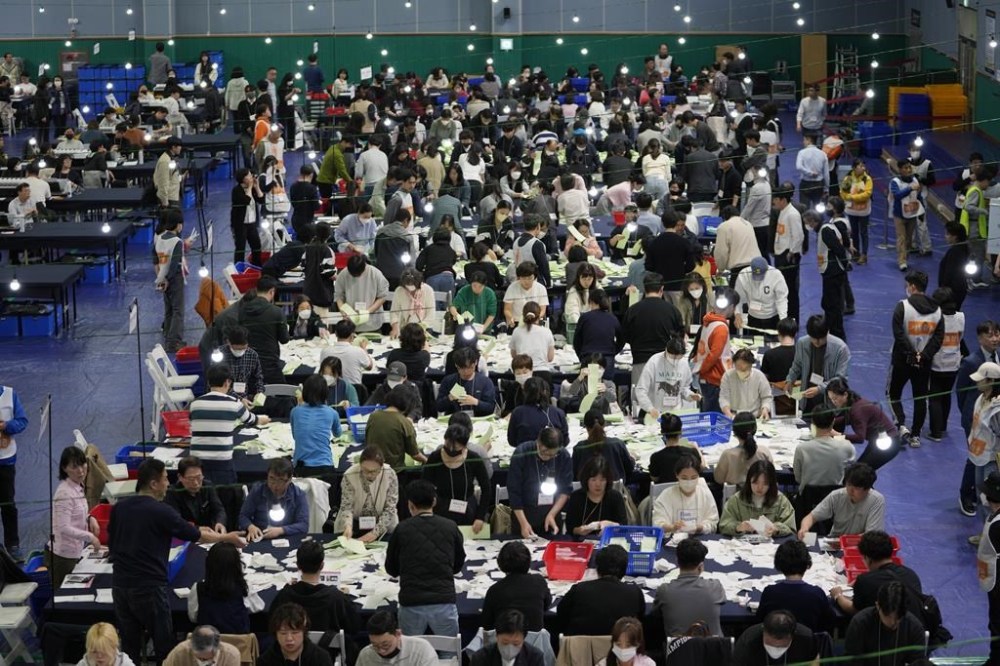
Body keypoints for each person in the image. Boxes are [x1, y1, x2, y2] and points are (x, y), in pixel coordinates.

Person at [109, 459, 242, 663]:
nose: (168, 484)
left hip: (119, 586)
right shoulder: (161, 511)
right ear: (153, 484)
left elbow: (112, 541)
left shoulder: (120, 508)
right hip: (149, 588)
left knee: (129, 647)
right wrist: (228, 538)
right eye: (164, 479)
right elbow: (196, 536)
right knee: (164, 647)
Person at [385, 480, 466, 638]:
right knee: (448, 654)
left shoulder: (401, 529)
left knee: (411, 654)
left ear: (410, 505)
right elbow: (457, 565)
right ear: (434, 501)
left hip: (411, 602)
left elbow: (391, 569)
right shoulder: (450, 526)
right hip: (444, 601)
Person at [889, 270, 945, 448]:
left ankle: (900, 424)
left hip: (902, 360)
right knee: (920, 397)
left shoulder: (903, 306)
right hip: (924, 363)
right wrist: (924, 355)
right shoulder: (937, 310)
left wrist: (911, 353)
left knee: (893, 393)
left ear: (912, 287)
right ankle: (915, 435)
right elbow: (938, 337)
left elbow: (898, 334)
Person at [189, 364, 269, 486]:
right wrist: (263, 419)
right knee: (225, 493)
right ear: (227, 383)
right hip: (221, 463)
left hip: (196, 462)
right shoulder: (234, 403)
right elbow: (252, 420)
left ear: (209, 383)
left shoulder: (195, 404)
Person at [271, 540, 360, 642]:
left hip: (292, 651)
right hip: (329, 652)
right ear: (322, 565)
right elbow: (354, 626)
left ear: (298, 565)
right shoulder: (335, 597)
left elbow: (272, 624)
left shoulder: (285, 595)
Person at [957, 321, 1000, 516]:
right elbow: (961, 392)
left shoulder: (996, 408)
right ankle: (966, 495)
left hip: (990, 451)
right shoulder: (971, 362)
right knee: (974, 465)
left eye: (996, 334)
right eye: (990, 335)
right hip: (975, 429)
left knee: (988, 489)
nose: (995, 338)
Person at [557, 545, 645, 636]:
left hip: (580, 647)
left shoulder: (579, 589)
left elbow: (561, 614)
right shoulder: (634, 592)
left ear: (597, 568)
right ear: (625, 570)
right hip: (621, 645)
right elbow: (640, 620)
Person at [832, 529, 922, 617]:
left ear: (867, 558)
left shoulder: (865, 581)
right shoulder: (911, 574)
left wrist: (838, 595)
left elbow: (854, 610)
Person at [421, 424, 492, 529]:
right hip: (441, 510)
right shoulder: (435, 457)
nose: (450, 449)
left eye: (455, 448)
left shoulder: (473, 458)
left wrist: (480, 517)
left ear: (464, 446)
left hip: (467, 509)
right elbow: (425, 486)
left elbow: (486, 488)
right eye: (448, 445)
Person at [48, 446, 101, 587]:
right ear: (65, 468)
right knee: (64, 597)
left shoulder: (78, 485)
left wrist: (90, 518)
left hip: (76, 550)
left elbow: (78, 511)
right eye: (74, 466)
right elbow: (63, 527)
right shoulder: (64, 493)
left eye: (83, 464)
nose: (81, 470)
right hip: (63, 556)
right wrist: (90, 537)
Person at [507, 427, 573, 538]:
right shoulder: (522, 453)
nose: (547, 457)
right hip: (524, 514)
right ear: (538, 441)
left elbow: (565, 490)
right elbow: (514, 492)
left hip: (552, 513)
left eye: (552, 455)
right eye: (544, 452)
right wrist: (523, 524)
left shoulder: (563, 456)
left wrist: (552, 514)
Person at [757, 541, 837, 633]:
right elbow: (830, 621)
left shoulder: (770, 592)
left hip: (777, 640)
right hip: (809, 644)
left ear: (779, 565)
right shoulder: (816, 594)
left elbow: (760, 620)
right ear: (807, 565)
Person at [652, 538, 726, 636]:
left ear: (677, 562)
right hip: (713, 649)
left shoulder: (664, 591)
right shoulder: (715, 587)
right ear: (701, 566)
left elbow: (655, 613)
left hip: (678, 649)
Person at [187, 542, 264, 634]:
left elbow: (193, 617)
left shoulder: (197, 588)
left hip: (208, 643)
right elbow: (259, 607)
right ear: (237, 565)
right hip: (239, 643)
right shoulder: (244, 587)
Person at [825, 378, 901, 470]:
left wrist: (837, 436)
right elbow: (847, 419)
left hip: (889, 443)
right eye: (831, 399)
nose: (834, 402)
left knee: (859, 473)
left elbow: (860, 438)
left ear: (845, 394)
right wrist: (825, 422)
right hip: (878, 441)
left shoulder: (857, 410)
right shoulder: (853, 402)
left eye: (835, 398)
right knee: (859, 470)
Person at [844, 582, 926, 666]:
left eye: (898, 618)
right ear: (877, 605)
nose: (893, 622)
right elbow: (852, 661)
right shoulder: (860, 623)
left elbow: (917, 662)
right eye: (887, 616)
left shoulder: (914, 628)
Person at [797, 462, 886, 538]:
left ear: (867, 489)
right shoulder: (837, 495)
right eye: (849, 485)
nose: (850, 491)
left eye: (856, 488)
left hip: (860, 546)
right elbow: (811, 517)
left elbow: (871, 535)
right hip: (835, 542)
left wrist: (845, 541)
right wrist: (804, 528)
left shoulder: (876, 500)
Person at [785, 314, 851, 416]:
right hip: (807, 400)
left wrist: (819, 389)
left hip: (831, 404)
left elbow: (840, 379)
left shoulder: (841, 349)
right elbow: (797, 364)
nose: (817, 342)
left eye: (821, 338)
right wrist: (790, 380)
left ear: (827, 332)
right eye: (813, 338)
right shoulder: (802, 343)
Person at [335, 446, 400, 542]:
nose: (369, 475)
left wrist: (375, 533)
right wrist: (348, 526)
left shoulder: (390, 474)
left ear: (381, 467)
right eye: (365, 470)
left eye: (374, 471)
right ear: (360, 465)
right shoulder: (350, 475)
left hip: (383, 525)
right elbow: (347, 506)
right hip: (355, 523)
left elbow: (390, 508)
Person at [719, 460, 795, 536]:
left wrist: (777, 529)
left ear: (771, 484)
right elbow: (724, 525)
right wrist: (738, 527)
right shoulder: (736, 500)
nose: (759, 488)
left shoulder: (781, 501)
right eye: (755, 483)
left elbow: (791, 528)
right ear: (749, 481)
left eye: (765, 484)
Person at [238, 458, 309, 539]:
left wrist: (281, 530)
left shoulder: (298, 495)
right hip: (260, 536)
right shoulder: (257, 491)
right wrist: (250, 526)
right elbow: (243, 516)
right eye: (271, 478)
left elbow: (303, 525)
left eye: (281, 480)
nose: (275, 485)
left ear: (289, 480)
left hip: (287, 537)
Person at [693, 286, 739, 413]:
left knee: (708, 414)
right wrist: (703, 370)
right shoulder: (721, 328)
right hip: (714, 378)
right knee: (714, 418)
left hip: (706, 376)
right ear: (731, 307)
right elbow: (714, 355)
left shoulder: (709, 320)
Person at [968, 362, 1000, 529]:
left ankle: (992, 535)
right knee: (982, 496)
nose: (977, 382)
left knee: (991, 501)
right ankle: (985, 534)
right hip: (977, 455)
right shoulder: (981, 398)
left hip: (991, 460)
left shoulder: (998, 408)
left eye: (981, 380)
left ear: (991, 381)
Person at [291, 374, 343, 474]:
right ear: (326, 393)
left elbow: (295, 436)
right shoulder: (332, 412)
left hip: (301, 468)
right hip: (325, 466)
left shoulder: (295, 411)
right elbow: (338, 434)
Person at [652, 456, 719, 534]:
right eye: (684, 478)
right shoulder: (666, 495)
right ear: (677, 475)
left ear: (698, 476)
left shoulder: (705, 494)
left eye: (693, 477)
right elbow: (657, 524)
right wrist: (672, 527)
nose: (689, 482)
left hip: (699, 539)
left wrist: (700, 527)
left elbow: (713, 524)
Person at [793, 406, 856, 488]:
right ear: (833, 422)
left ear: (813, 423)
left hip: (807, 497)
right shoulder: (846, 446)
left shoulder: (801, 448)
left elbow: (798, 479)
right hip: (835, 496)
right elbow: (851, 465)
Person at [564, 456, 628, 536]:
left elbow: (623, 526)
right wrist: (579, 530)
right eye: (593, 480)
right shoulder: (576, 497)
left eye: (602, 480)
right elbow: (570, 528)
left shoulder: (615, 497)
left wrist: (610, 524)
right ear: (586, 480)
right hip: (581, 542)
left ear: (607, 481)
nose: (598, 484)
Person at [364, 386, 425, 469]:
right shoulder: (404, 422)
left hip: (372, 467)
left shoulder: (373, 416)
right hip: (394, 471)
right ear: (408, 405)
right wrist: (427, 460)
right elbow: (415, 454)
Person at [153, 209, 188, 353]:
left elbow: (156, 258)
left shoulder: (159, 238)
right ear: (178, 225)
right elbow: (175, 263)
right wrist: (168, 279)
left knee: (168, 310)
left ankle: (168, 336)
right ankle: (174, 342)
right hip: (174, 278)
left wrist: (162, 277)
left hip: (161, 275)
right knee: (178, 310)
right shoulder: (177, 242)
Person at [732, 611, 821, 666]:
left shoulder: (806, 637)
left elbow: (813, 660)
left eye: (782, 644)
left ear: (793, 634)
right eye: (771, 642)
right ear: (764, 630)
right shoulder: (748, 640)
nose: (776, 645)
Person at [258, 603, 334, 666]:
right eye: (283, 633)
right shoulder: (265, 661)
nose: (289, 638)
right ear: (276, 634)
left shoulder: (320, 658)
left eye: (295, 632)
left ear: (304, 632)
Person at [164, 456, 226, 533]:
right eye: (191, 479)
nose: (196, 483)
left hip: (211, 534)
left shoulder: (207, 486)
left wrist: (220, 523)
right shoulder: (172, 493)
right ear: (180, 477)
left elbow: (219, 510)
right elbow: (176, 522)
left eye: (199, 478)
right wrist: (198, 529)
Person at [573, 289, 624, 379]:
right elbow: (622, 339)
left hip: (588, 357)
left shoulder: (585, 317)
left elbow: (577, 341)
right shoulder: (612, 318)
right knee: (607, 388)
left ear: (591, 301)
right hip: (607, 358)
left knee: (588, 389)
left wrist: (581, 356)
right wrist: (613, 352)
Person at [976, 472, 1000, 666]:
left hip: (997, 582)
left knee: (997, 623)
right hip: (992, 578)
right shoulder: (995, 518)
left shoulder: (997, 525)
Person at [771, 186, 804, 322]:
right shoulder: (783, 212)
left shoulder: (792, 214)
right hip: (781, 253)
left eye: (776, 200)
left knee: (790, 289)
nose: (774, 202)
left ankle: (792, 317)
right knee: (783, 288)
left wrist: (791, 252)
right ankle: (786, 315)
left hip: (788, 256)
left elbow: (799, 236)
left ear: (783, 200)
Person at [355, 611, 438, 666]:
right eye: (375, 645)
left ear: (398, 634)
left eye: (385, 645)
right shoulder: (366, 655)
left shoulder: (420, 650)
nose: (381, 651)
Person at [334, 254, 390, 333]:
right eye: (352, 275)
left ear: (364, 267)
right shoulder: (343, 274)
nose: (356, 277)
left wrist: (368, 311)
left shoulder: (375, 273)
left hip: (372, 324)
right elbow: (338, 296)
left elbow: (383, 296)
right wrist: (343, 311)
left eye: (358, 274)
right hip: (351, 324)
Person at [714, 412, 774, 486]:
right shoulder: (764, 452)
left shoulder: (728, 455)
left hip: (734, 495)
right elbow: (772, 476)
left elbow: (718, 479)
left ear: (734, 432)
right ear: (755, 429)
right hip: (761, 496)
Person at [436, 346, 497, 416]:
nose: (466, 372)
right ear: (456, 365)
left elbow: (491, 408)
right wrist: (450, 397)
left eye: (470, 367)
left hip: (479, 421)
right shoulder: (449, 381)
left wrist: (476, 402)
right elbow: (439, 407)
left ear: (476, 363)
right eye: (462, 368)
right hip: (455, 421)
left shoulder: (485, 382)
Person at [470, 609, 546, 666]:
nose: (510, 648)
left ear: (523, 639)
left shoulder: (535, 658)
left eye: (516, 644)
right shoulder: (480, 658)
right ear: (497, 636)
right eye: (505, 643)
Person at [733, 257, 789, 332]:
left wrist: (783, 319)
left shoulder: (776, 275)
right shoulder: (743, 275)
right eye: (755, 275)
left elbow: (781, 299)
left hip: (772, 317)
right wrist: (737, 314)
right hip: (753, 317)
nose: (758, 279)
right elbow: (738, 298)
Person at [889, 159, 926, 272]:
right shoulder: (895, 182)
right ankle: (902, 261)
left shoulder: (915, 180)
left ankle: (905, 256)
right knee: (902, 238)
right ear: (900, 170)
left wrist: (922, 211)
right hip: (899, 215)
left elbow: (918, 197)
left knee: (909, 240)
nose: (908, 170)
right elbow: (897, 195)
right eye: (905, 168)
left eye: (909, 167)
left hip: (912, 213)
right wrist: (909, 188)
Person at [648, 414, 703, 483]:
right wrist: (697, 448)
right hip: (688, 492)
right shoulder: (691, 453)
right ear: (681, 432)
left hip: (665, 493)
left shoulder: (656, 457)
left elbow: (654, 479)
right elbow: (702, 467)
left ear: (662, 433)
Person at [761, 318, 800, 415]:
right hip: (799, 401)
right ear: (795, 334)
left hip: (776, 402)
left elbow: (764, 381)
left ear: (779, 333)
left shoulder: (769, 354)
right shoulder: (803, 355)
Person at [720, 350, 773, 419]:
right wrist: (727, 413)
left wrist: (765, 409)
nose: (741, 371)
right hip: (734, 415)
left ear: (750, 366)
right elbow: (724, 397)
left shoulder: (759, 376)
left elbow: (766, 397)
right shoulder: (728, 376)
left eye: (744, 369)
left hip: (754, 415)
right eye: (738, 367)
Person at [319, 319, 375, 386]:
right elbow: (369, 366)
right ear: (352, 335)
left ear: (336, 333)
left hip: (331, 390)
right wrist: (364, 349)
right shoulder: (358, 351)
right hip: (355, 390)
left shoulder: (325, 351)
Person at [840, 158, 874, 265]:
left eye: (863, 166)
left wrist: (852, 197)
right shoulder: (848, 178)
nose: (863, 168)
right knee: (854, 232)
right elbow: (842, 193)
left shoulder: (867, 179)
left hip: (864, 211)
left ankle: (864, 254)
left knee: (863, 232)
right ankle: (856, 252)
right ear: (854, 168)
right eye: (860, 166)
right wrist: (850, 197)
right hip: (851, 211)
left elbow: (867, 194)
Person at [389, 268, 437, 338]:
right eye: (407, 286)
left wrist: (419, 328)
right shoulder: (399, 290)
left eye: (413, 286)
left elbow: (431, 315)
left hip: (424, 329)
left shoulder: (428, 290)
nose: (410, 291)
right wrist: (395, 328)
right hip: (405, 329)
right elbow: (394, 312)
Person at [509, 301, 556, 372]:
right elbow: (550, 358)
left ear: (523, 315)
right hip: (543, 372)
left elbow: (514, 355)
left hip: (523, 372)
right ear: (539, 316)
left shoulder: (517, 331)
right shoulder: (547, 332)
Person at [163, 626, 241, 666]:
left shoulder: (231, 655)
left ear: (218, 647)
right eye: (200, 659)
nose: (204, 662)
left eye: (208, 659)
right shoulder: (180, 652)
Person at [503, 261, 549, 327]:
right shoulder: (512, 287)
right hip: (517, 322)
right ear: (519, 277)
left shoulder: (541, 288)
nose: (526, 281)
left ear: (535, 277)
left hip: (534, 322)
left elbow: (542, 310)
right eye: (524, 278)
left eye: (530, 278)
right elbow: (507, 309)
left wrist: (535, 319)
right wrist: (510, 318)